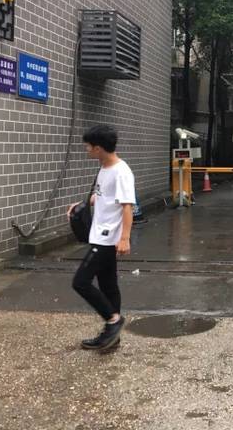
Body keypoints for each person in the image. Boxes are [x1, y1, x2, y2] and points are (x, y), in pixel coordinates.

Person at [67, 124, 134, 351]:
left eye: (88, 147)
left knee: (80, 282)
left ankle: (113, 320)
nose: (86, 150)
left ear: (98, 148)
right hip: (99, 234)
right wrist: (81, 205)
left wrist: (124, 238)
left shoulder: (121, 171)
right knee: (108, 285)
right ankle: (112, 337)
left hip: (108, 238)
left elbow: (127, 206)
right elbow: (101, 196)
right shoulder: (104, 168)